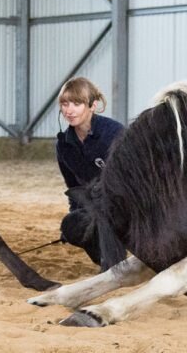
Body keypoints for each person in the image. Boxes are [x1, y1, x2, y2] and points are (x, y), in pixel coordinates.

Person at [55, 77, 124, 266]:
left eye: (77, 103)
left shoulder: (114, 133)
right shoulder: (64, 145)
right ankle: (105, 258)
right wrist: (75, 218)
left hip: (126, 202)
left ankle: (115, 258)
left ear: (93, 105)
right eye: (65, 104)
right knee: (71, 225)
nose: (69, 110)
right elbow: (74, 187)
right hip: (97, 204)